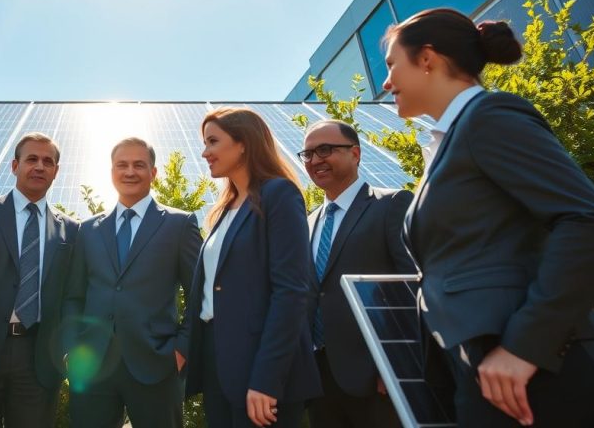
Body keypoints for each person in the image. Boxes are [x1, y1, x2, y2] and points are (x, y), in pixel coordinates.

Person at [382, 7, 594, 427]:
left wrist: (526, 346)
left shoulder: (490, 117)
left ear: (427, 59)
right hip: (484, 366)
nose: (387, 82)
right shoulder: (452, 139)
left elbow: (584, 218)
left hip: (531, 370)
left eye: (392, 65)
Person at [184, 107, 321, 428]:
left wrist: (267, 378)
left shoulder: (279, 194)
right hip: (219, 361)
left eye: (213, 141)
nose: (204, 152)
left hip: (260, 366)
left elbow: (290, 292)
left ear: (243, 142)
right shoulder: (223, 210)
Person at [63, 137, 202, 428]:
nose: (130, 172)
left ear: (153, 173)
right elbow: (74, 295)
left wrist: (180, 350)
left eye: (139, 165)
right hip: (93, 366)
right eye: (121, 165)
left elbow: (197, 295)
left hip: (156, 364)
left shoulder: (180, 224)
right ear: (111, 171)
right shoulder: (88, 230)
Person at [0, 132, 80, 427]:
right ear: (14, 166)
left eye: (47, 161)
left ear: (56, 171)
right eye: (32, 159)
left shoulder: (71, 230)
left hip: (38, 357)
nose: (39, 166)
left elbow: (71, 296)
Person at [299, 119, 415, 428]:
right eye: (308, 154)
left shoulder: (392, 205)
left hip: (375, 376)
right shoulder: (307, 223)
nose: (315, 160)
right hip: (319, 379)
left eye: (325, 149)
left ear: (355, 153)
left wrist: (395, 365)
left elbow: (412, 287)